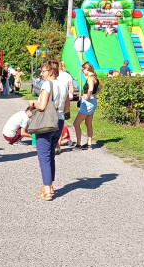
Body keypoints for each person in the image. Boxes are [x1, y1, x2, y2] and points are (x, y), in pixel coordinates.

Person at [28, 59, 69, 200]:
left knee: (44, 156)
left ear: (51, 72)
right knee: (51, 154)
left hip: (47, 123)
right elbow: (67, 108)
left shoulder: (47, 85)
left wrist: (32, 103)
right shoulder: (63, 85)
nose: (42, 74)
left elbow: (42, 106)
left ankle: (47, 191)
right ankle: (50, 185)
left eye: (44, 71)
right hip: (59, 121)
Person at [73, 62, 100, 150]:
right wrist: (94, 95)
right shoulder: (95, 77)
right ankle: (89, 144)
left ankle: (78, 144)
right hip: (93, 101)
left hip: (88, 102)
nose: (82, 72)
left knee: (76, 123)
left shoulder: (90, 78)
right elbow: (100, 88)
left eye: (83, 70)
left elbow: (91, 89)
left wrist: (87, 96)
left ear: (87, 68)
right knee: (88, 123)